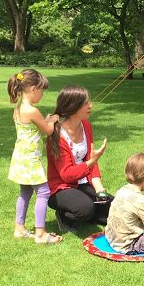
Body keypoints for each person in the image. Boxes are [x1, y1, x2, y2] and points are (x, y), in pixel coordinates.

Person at [7, 69, 62, 244]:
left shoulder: (19, 108)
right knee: (44, 191)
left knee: (25, 191)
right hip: (30, 159)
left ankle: (19, 228)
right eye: (41, 90)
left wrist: (45, 120)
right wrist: (52, 120)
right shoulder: (32, 110)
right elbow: (47, 131)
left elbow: (34, 128)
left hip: (21, 157)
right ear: (33, 89)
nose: (42, 94)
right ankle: (40, 233)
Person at [46, 85, 110, 233]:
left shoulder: (86, 125)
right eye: (86, 103)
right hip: (61, 187)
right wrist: (91, 161)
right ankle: (64, 216)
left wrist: (99, 187)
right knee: (85, 208)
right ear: (73, 106)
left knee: (111, 207)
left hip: (82, 181)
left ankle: (91, 214)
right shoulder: (57, 134)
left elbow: (90, 157)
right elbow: (67, 175)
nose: (90, 106)